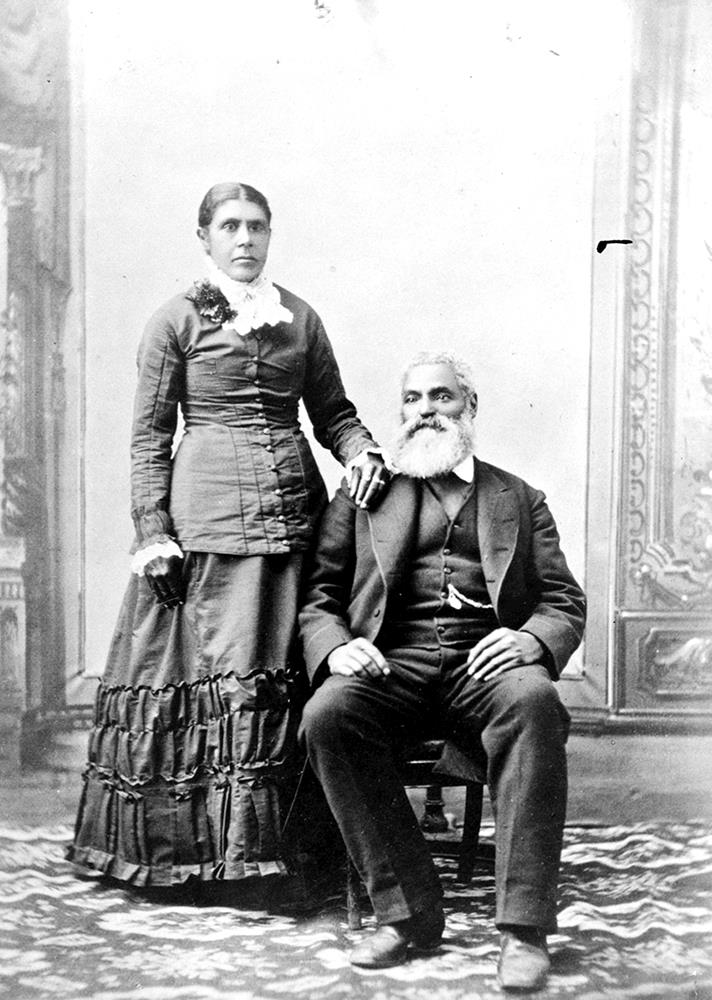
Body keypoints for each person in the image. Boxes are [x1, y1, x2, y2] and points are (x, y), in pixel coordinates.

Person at [68, 182, 387, 889]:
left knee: (290, 665)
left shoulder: (299, 317)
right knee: (211, 673)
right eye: (230, 227)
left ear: (270, 236)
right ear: (205, 238)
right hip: (205, 518)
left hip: (294, 514)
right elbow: (150, 437)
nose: (245, 240)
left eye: (257, 227)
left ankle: (293, 853)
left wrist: (361, 450)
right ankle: (203, 859)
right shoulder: (174, 320)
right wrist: (152, 531)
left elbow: (333, 411)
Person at [299, 351, 585, 991]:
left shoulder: (516, 496)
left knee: (535, 703)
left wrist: (532, 640)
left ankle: (522, 930)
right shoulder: (366, 494)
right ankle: (406, 914)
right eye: (412, 399)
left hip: (483, 668)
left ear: (470, 408)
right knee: (327, 717)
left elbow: (563, 600)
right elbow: (318, 595)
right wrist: (337, 646)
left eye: (441, 397)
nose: (425, 410)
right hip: (389, 664)